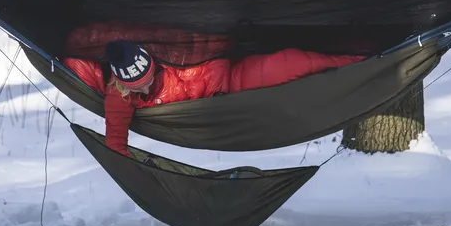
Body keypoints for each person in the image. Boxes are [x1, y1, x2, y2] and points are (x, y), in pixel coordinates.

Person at [66, 39, 366, 156]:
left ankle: (364, 63)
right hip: (224, 109)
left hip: (233, 82)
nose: (142, 90)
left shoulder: (174, 57)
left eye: (146, 81)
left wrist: (219, 91)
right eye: (135, 88)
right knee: (294, 101)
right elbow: (116, 139)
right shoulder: (118, 96)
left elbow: (217, 53)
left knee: (294, 61)